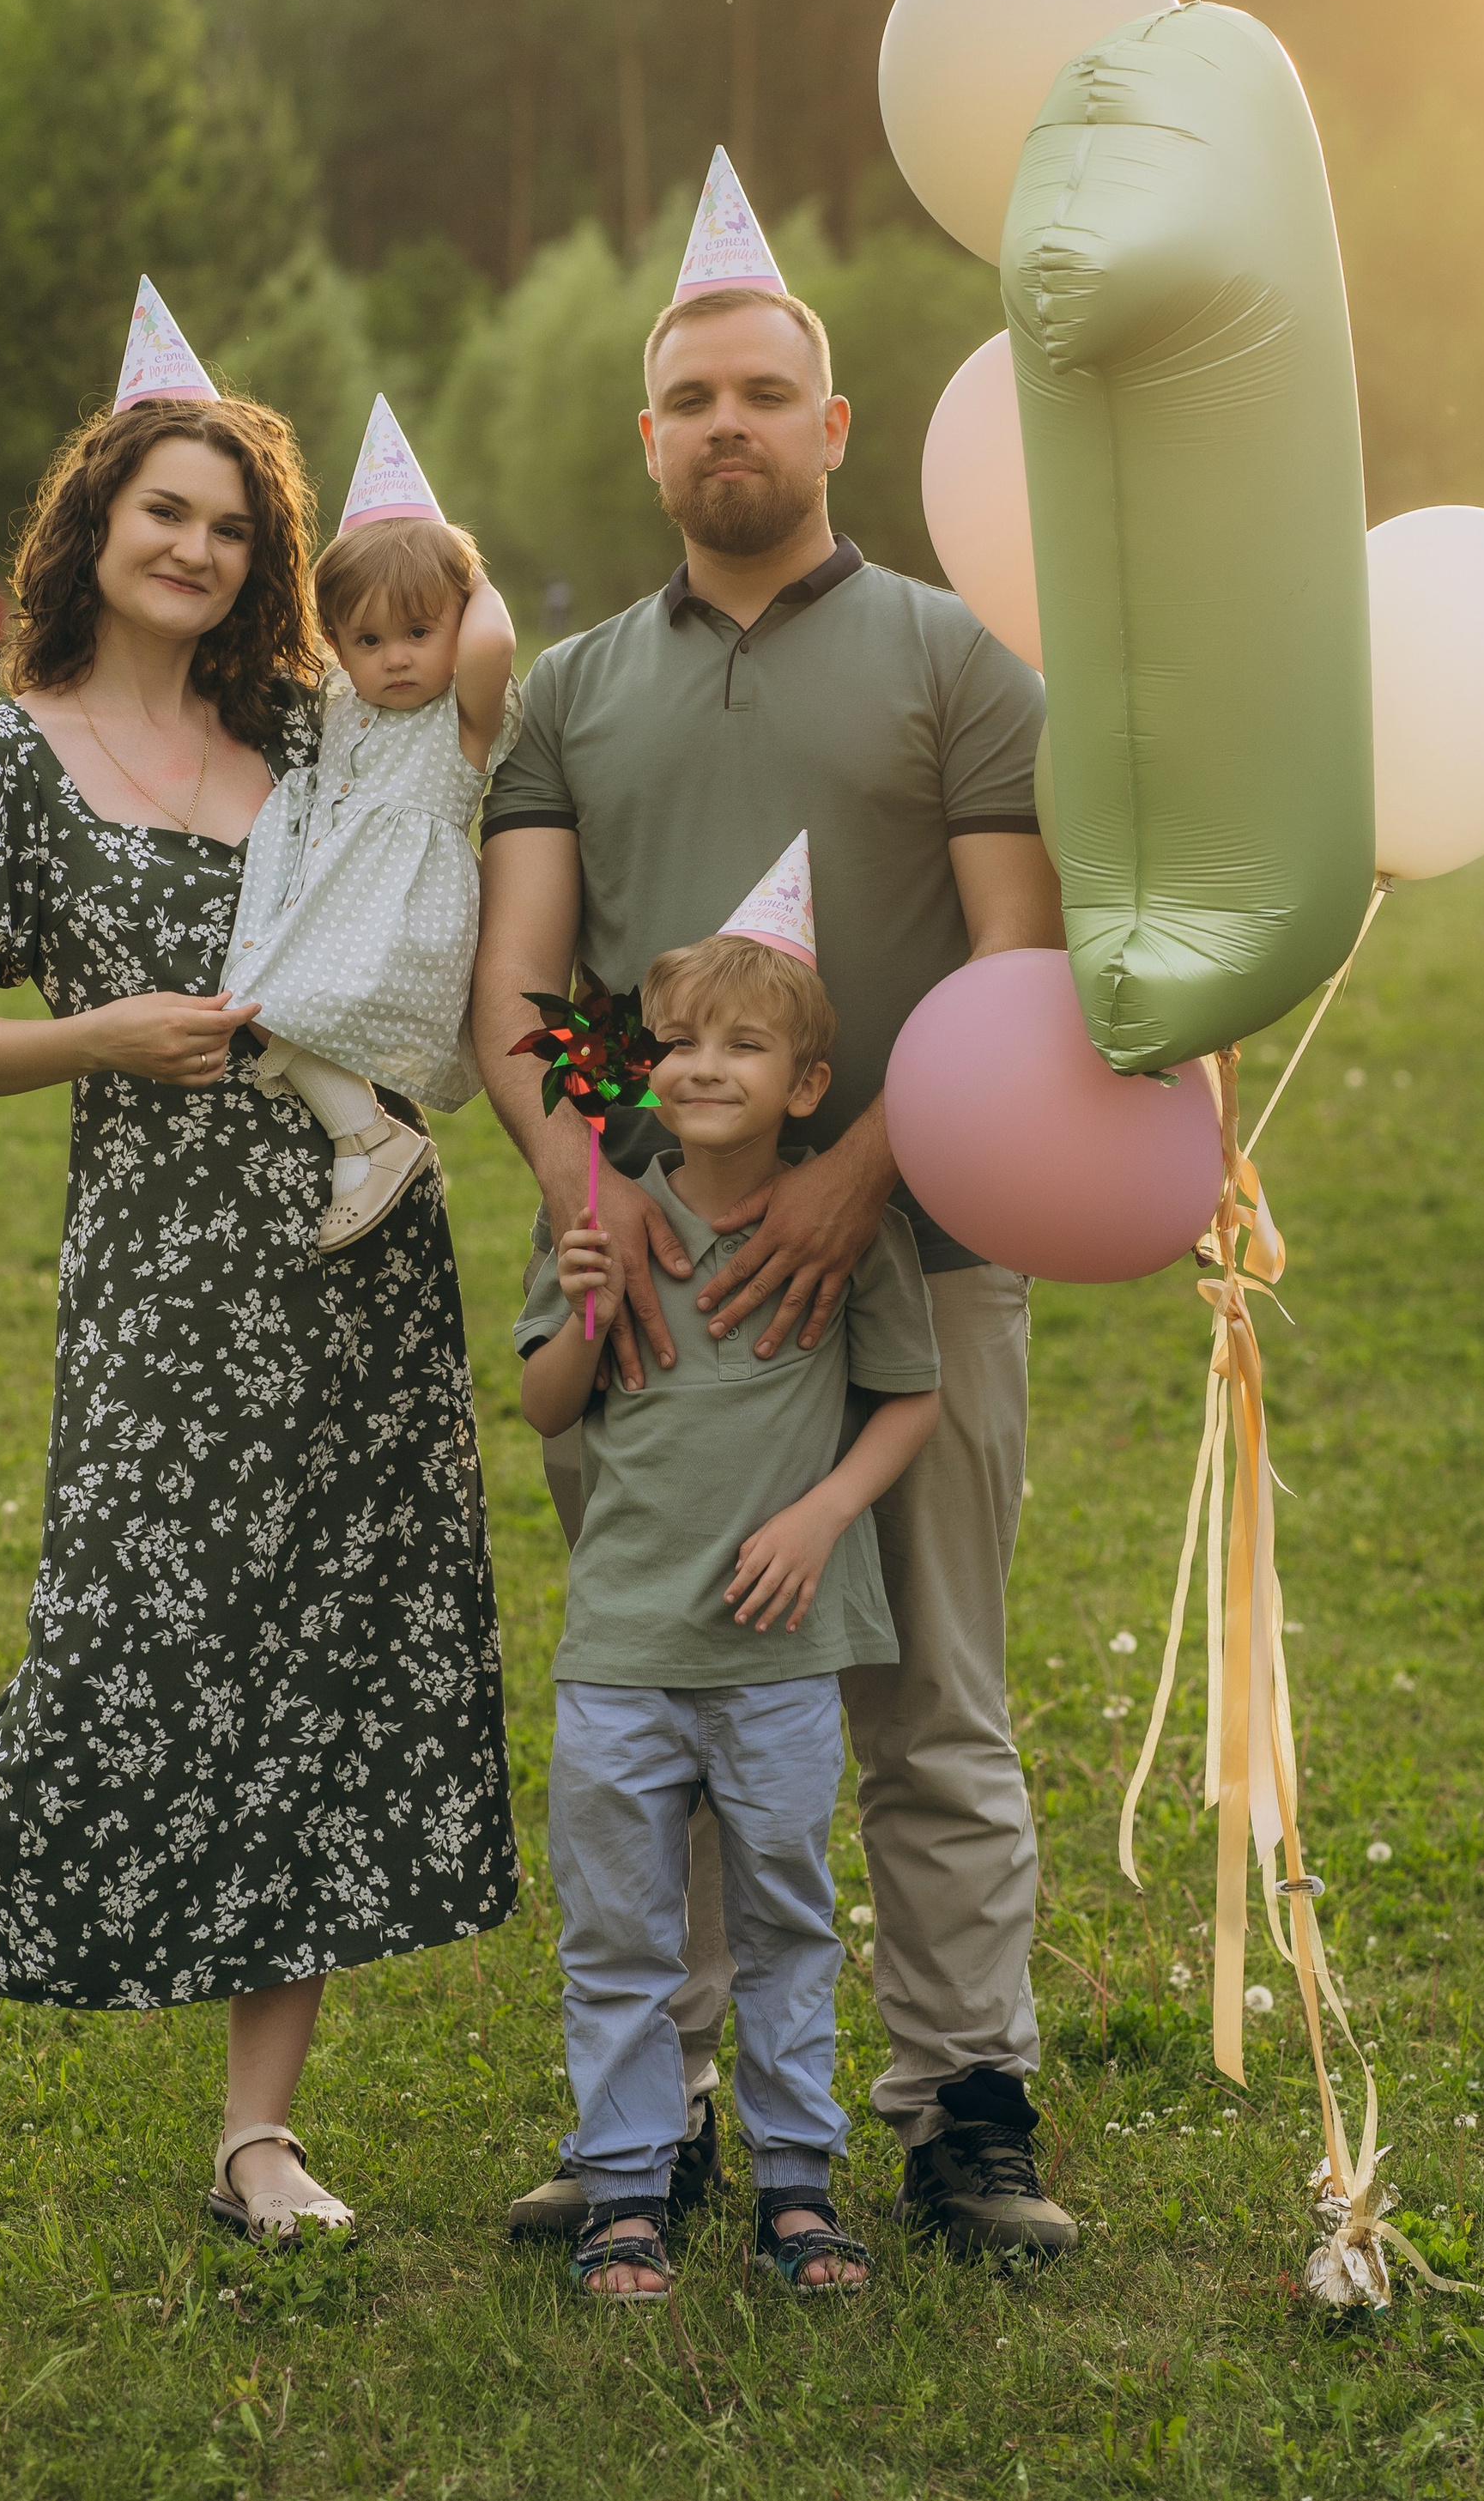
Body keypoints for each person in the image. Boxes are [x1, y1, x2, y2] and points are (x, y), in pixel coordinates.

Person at [0, 285, 518, 2263]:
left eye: (229, 523)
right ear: (91, 524)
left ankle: (257, 2132)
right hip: (158, 1274)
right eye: (164, 511)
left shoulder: (315, 723)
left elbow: (481, 740)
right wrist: (99, 1034)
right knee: (104, 1651)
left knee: (312, 1659)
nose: (197, 547)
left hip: (356, 1245)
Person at [474, 150, 1078, 2260]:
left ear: (829, 427)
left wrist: (859, 1162)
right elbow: (523, 982)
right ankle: (670, 2117)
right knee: (669, 1686)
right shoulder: (568, 687)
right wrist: (591, 1184)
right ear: (646, 439)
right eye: (687, 398)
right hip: (650, 1285)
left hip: (920, 1252)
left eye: (761, 393)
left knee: (923, 1692)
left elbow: (1014, 959)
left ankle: (956, 2101)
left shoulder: (947, 655)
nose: (723, 424)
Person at [519, 889, 939, 2305]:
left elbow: (908, 1402)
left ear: (805, 1085)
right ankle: (628, 2189)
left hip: (777, 1654)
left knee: (786, 1916)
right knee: (620, 1930)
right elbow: (542, 1406)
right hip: (624, 1652)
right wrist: (582, 1303)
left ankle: (799, 2190)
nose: (701, 1065)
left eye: (740, 1046)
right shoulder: (603, 1218)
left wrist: (824, 1516)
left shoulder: (842, 1235)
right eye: (678, 1040)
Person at [221, 395, 516, 1253]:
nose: (395, 657)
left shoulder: (461, 717)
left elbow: (494, 646)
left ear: (457, 626)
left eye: (421, 632)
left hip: (401, 905)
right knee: (259, 1004)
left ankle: (370, 1141)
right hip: (339, 893)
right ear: (340, 646)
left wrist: (473, 581)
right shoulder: (344, 702)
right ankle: (369, 1140)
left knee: (275, 1001)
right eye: (370, 638)